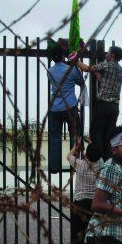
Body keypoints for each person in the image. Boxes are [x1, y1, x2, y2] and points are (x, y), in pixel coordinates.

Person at [76, 46, 122, 160]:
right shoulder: (121, 69)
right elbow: (104, 82)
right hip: (115, 107)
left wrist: (75, 60)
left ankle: (96, 158)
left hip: (103, 104)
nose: (106, 54)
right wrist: (96, 72)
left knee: (96, 132)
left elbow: (87, 68)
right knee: (108, 134)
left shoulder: (106, 65)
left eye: (108, 52)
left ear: (112, 55)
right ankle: (107, 158)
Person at [67, 138, 102, 244]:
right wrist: (91, 143)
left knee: (78, 236)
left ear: (86, 155)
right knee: (93, 236)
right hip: (94, 205)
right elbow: (98, 155)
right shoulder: (100, 165)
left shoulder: (80, 165)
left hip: (80, 204)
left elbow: (69, 156)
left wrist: (76, 146)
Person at [47, 43, 85, 173]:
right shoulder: (72, 69)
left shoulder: (49, 71)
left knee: (55, 137)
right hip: (70, 106)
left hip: (54, 109)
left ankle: (54, 167)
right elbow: (81, 82)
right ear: (63, 56)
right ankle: (74, 165)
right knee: (75, 136)